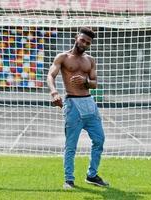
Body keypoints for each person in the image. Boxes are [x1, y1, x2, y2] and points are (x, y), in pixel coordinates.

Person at [47, 27, 109, 189]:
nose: (84, 44)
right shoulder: (63, 57)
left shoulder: (90, 60)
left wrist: (85, 82)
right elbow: (50, 75)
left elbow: (95, 83)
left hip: (89, 104)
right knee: (71, 145)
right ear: (76, 38)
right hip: (73, 104)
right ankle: (69, 180)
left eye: (88, 42)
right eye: (82, 40)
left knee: (99, 140)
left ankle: (92, 175)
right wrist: (54, 92)